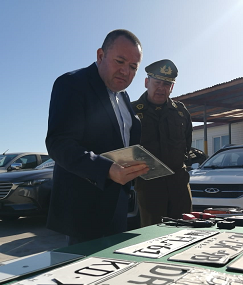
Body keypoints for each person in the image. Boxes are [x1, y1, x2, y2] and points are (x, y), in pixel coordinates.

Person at [46, 29, 149, 245]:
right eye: (120, 61)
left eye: (133, 67)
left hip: (118, 206)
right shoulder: (72, 84)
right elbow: (59, 143)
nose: (125, 71)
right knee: (83, 276)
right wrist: (106, 170)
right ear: (100, 55)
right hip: (83, 210)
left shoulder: (124, 96)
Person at [131, 59, 193, 226]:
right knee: (152, 237)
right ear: (146, 83)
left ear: (172, 87)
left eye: (167, 84)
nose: (161, 88)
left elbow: (187, 143)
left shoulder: (180, 112)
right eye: (157, 82)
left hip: (179, 186)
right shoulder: (132, 111)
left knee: (184, 233)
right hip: (149, 188)